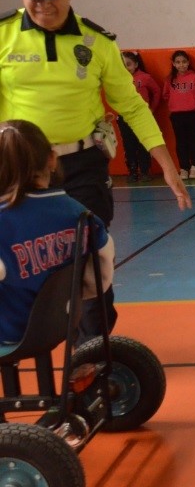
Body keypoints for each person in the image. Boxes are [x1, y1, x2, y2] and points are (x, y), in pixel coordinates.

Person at [0, 0, 191, 342]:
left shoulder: (97, 42)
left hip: (80, 165)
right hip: (16, 166)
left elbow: (133, 108)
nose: (41, 4)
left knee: (88, 258)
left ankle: (93, 355)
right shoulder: (2, 37)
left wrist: (167, 166)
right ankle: (16, 341)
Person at [0, 120, 114, 344]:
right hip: (62, 322)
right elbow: (102, 274)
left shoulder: (4, 222)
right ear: (52, 159)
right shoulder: (79, 214)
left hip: (9, 332)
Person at [162, 49, 195, 180]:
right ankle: (183, 167)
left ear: (188, 63)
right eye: (178, 62)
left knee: (194, 141)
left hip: (192, 115)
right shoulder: (170, 79)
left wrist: (194, 102)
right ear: (173, 64)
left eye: (184, 62)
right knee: (181, 142)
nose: (181, 65)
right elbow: (165, 95)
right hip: (177, 116)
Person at [120, 51, 160, 182]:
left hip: (142, 118)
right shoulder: (118, 79)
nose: (126, 67)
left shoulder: (145, 77)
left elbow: (156, 91)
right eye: (123, 65)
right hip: (125, 117)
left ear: (136, 64)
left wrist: (152, 109)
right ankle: (132, 171)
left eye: (129, 64)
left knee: (144, 144)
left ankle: (145, 171)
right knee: (129, 145)